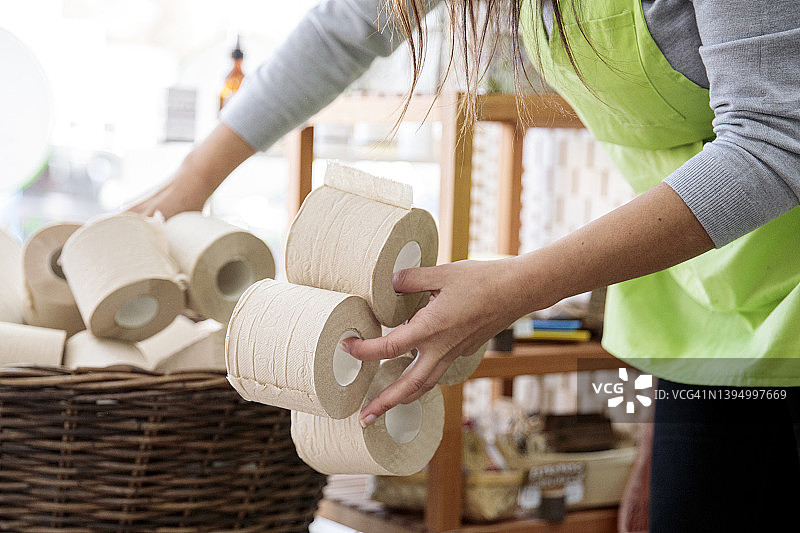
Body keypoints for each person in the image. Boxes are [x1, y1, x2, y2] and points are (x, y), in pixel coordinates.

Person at [131, 1, 800, 530]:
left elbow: (776, 138)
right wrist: (192, 182)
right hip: (706, 296)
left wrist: (519, 286)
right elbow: (347, 27)